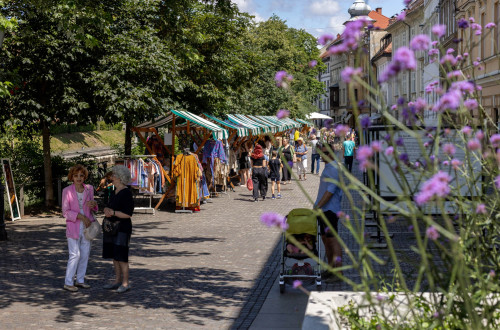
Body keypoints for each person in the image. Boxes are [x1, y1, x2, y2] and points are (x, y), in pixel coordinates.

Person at [62, 164, 98, 292]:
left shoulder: (89, 189)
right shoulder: (67, 191)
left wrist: (94, 204)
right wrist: (81, 217)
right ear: (71, 177)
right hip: (73, 226)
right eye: (76, 175)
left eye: (81, 175)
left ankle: (80, 280)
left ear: (85, 177)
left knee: (85, 254)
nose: (79, 178)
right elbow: (65, 212)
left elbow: (93, 207)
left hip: (88, 226)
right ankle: (68, 281)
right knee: (74, 254)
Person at [102, 165, 135, 293]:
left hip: (122, 228)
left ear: (120, 178)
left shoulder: (126, 193)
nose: (112, 177)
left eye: (114, 175)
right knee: (114, 256)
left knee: (122, 256)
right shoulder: (113, 191)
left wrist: (113, 212)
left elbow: (128, 214)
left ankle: (125, 283)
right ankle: (117, 280)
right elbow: (109, 207)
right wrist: (106, 210)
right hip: (112, 227)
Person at [314, 143, 343, 280]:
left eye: (324, 152)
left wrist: (318, 205)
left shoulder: (333, 169)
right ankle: (331, 268)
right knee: (326, 240)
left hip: (330, 210)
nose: (321, 154)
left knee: (332, 240)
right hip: (325, 210)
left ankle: (339, 272)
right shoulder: (330, 167)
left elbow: (330, 191)